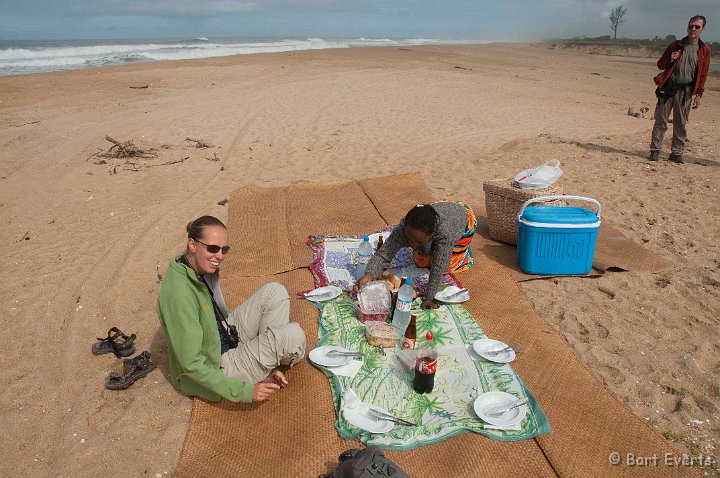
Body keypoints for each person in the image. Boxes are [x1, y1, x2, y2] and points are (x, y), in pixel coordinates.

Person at [157, 215, 306, 403]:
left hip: (222, 333)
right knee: (293, 335)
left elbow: (212, 310)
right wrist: (244, 392)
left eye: (224, 249)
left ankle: (266, 360)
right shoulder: (180, 297)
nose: (219, 256)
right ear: (192, 245)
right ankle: (267, 359)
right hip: (217, 364)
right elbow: (192, 364)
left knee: (275, 292)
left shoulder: (190, 265)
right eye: (212, 248)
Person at [357, 200, 477, 309]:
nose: (412, 244)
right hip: (439, 209)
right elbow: (383, 254)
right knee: (421, 257)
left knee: (446, 265)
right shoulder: (405, 228)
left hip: (463, 220)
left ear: (431, 235)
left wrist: (429, 298)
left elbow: (438, 268)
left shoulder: (444, 235)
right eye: (409, 239)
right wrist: (369, 274)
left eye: (418, 241)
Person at [649, 15, 711, 164]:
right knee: (661, 120)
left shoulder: (704, 50)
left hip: (686, 91)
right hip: (669, 88)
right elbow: (660, 65)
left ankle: (677, 153)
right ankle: (655, 151)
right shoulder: (675, 46)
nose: (693, 29)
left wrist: (698, 94)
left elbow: (703, 74)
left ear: (703, 29)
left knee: (681, 123)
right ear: (687, 27)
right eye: (691, 26)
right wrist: (671, 59)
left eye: (697, 27)